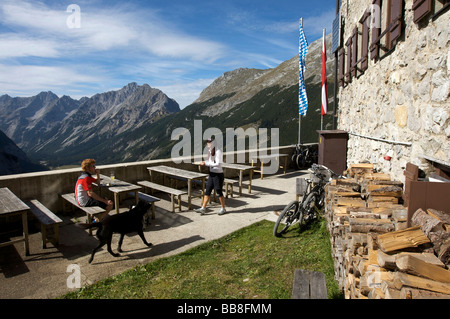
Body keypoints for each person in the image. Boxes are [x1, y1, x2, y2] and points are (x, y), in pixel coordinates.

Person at [195, 137, 226, 215]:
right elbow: (210, 161)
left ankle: (223, 208)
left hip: (218, 175)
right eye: (207, 143)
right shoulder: (210, 151)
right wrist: (204, 162)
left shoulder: (218, 152)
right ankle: (203, 208)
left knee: (219, 191)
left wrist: (206, 164)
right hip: (212, 174)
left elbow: (218, 164)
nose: (207, 144)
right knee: (207, 190)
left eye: (208, 143)